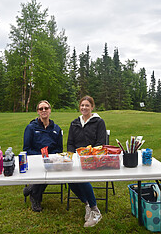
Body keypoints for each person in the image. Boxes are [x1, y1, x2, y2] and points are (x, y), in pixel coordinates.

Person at [67, 95, 106, 227]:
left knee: (81, 178)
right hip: (77, 159)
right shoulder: (74, 123)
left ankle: (95, 211)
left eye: (87, 105)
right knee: (69, 179)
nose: (84, 108)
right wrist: (71, 157)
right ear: (79, 107)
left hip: (93, 159)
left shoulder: (99, 122)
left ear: (92, 107)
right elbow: (70, 143)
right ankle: (87, 204)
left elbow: (101, 143)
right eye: (82, 105)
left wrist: (88, 155)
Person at [22, 100, 63, 212]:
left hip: (51, 160)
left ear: (50, 110)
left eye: (46, 108)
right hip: (35, 159)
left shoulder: (56, 129)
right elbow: (26, 149)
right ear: (38, 112)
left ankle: (32, 190)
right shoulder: (31, 128)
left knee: (49, 169)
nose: (44, 110)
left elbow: (59, 149)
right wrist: (42, 157)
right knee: (44, 170)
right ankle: (35, 197)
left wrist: (50, 158)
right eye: (41, 109)